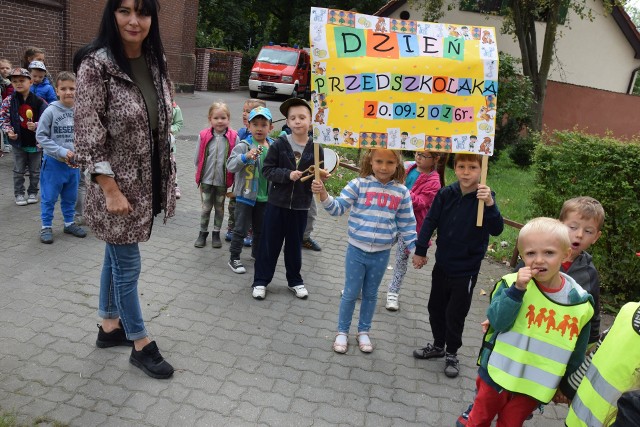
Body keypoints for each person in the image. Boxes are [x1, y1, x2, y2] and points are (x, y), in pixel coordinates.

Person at [73, 0, 175, 379]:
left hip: (147, 186)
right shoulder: (95, 65)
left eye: (143, 12)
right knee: (128, 266)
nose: (135, 20)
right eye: (125, 10)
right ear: (111, 14)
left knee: (113, 259)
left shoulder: (155, 61)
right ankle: (140, 343)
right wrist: (110, 190)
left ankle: (109, 327)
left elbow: (160, 126)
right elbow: (88, 135)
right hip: (115, 191)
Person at [457, 195, 606, 425]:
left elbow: (577, 347)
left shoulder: (581, 300)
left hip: (534, 384)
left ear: (565, 254)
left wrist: (567, 385)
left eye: (548, 253)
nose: (538, 260)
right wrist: (516, 291)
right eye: (530, 254)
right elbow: (498, 318)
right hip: (498, 374)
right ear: (522, 254)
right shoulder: (513, 282)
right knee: (478, 419)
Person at [312, 148, 416, 353]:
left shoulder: (402, 192)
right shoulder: (358, 185)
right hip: (356, 251)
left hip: (382, 253)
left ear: (397, 165)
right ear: (370, 161)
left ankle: (363, 332)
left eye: (389, 162)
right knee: (350, 293)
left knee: (371, 294)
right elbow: (337, 208)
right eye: (379, 161)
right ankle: (342, 331)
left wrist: (416, 250)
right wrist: (323, 193)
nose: (384, 167)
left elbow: (407, 224)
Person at [412, 153, 504, 378]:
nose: (466, 172)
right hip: (443, 263)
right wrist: (421, 250)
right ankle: (438, 345)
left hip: (466, 270)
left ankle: (452, 352)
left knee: (455, 313)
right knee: (436, 308)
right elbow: (430, 221)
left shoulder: (485, 198)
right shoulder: (446, 194)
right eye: (461, 166)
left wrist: (490, 204)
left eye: (472, 167)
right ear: (455, 168)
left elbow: (497, 229)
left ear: (481, 171)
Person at [251, 98, 323, 300]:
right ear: (288, 123)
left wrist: (319, 183)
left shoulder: (316, 148)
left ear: (311, 121)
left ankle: (295, 281)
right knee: (269, 244)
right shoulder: (280, 144)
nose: (297, 121)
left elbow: (318, 174)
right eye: (293, 118)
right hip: (277, 204)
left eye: (302, 117)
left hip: (301, 207)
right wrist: (286, 175)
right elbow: (267, 170)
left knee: (294, 246)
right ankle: (260, 281)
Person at [564, 301, 640, 427]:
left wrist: (568, 389)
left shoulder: (629, 309)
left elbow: (597, 350)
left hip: (579, 417)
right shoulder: (629, 309)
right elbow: (598, 352)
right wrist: (568, 389)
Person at [385, 150, 444, 311]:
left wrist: (402, 190)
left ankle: (393, 292)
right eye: (418, 153)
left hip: (410, 225)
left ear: (435, 159)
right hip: (392, 218)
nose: (418, 157)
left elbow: (420, 203)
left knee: (401, 260)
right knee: (377, 250)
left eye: (424, 156)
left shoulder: (434, 181)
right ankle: (363, 287)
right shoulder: (408, 167)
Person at [35, 71, 86, 244]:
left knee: (70, 196)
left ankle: (69, 223)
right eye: (63, 88)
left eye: (72, 88)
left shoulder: (81, 111)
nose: (68, 92)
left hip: (73, 165)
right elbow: (41, 136)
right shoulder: (50, 111)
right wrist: (61, 151)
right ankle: (46, 226)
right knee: (49, 197)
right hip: (54, 164)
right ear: (57, 90)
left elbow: (85, 135)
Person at [226, 106, 273, 274]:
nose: (259, 128)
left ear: (270, 128)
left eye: (263, 124)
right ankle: (234, 258)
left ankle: (256, 254)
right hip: (245, 195)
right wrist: (245, 157)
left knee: (261, 229)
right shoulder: (243, 146)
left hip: (265, 197)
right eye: (255, 124)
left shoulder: (273, 146)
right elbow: (230, 166)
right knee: (241, 228)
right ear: (249, 127)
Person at [194, 101, 238, 249]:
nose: (220, 121)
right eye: (216, 118)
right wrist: (198, 175)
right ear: (210, 119)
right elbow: (197, 158)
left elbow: (236, 160)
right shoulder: (203, 135)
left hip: (222, 181)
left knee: (219, 208)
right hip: (206, 180)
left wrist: (235, 182)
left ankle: (216, 233)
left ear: (228, 119)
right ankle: (202, 233)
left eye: (223, 118)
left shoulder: (234, 137)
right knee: (206, 208)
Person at [0, 67, 47, 206]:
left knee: (35, 170)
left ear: (30, 82)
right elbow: (3, 118)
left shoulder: (39, 101)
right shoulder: (9, 101)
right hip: (18, 142)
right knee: (19, 170)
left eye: (22, 80)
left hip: (35, 142)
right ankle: (19, 194)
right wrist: (9, 131)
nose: (18, 83)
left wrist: (37, 125)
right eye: (14, 81)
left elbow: (47, 119)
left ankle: (33, 192)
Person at [226, 97, 266, 245]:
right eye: (243, 110)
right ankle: (232, 227)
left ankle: (249, 232)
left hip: (255, 182)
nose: (244, 114)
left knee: (251, 208)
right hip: (240, 177)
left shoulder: (264, 138)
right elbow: (233, 156)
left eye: (248, 111)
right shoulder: (241, 133)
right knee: (235, 204)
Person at [169, 83, 183, 199]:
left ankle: (175, 185)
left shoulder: (176, 109)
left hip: (170, 144)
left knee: (172, 164)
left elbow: (178, 123)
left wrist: (171, 129)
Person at [0, 59, 13, 155]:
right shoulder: (1, 82)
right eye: (2, 68)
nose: (5, 70)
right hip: (2, 107)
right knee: (4, 124)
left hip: (11, 106)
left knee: (10, 124)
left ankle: (10, 142)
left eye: (7, 68)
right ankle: (6, 144)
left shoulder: (13, 81)